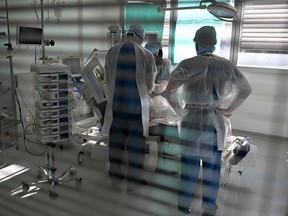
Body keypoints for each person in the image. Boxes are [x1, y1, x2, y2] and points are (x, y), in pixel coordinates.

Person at [165, 26, 252, 216]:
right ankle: (209, 209)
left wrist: (181, 110)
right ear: (213, 44)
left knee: (189, 165)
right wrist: (228, 109)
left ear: (197, 43)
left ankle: (183, 205)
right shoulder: (226, 65)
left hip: (192, 121)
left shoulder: (187, 64)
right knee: (213, 168)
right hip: (216, 123)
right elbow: (246, 89)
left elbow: (169, 90)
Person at [101, 24, 157, 192]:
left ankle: (115, 179)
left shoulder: (111, 52)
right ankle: (132, 182)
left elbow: (108, 80)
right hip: (136, 109)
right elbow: (149, 85)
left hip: (116, 107)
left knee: (116, 143)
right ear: (141, 37)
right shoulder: (146, 54)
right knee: (135, 146)